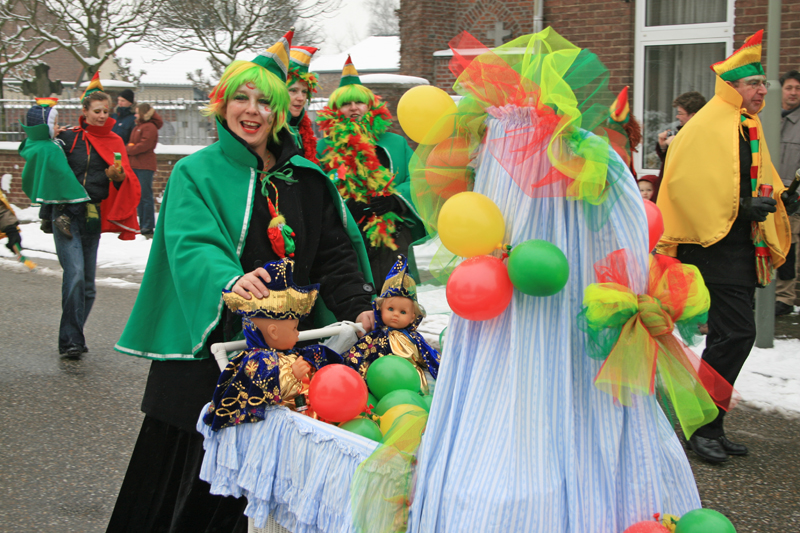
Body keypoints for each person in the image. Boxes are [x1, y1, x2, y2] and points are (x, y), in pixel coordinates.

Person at [408, 29, 703, 533]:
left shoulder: (509, 143)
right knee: (583, 407)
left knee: (520, 408)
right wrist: (625, 289)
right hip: (578, 321)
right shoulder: (592, 156)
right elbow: (632, 234)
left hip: (513, 322)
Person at [108, 30, 376, 533]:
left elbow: (336, 255)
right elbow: (190, 243)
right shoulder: (196, 173)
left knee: (252, 489)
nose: (251, 111)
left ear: (279, 112)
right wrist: (230, 279)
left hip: (285, 357)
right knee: (181, 482)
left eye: (264, 102)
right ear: (222, 105)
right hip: (208, 354)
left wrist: (359, 302)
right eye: (240, 98)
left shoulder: (309, 179)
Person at [657, 30, 797, 463]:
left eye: (764, 84)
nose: (762, 91)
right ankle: (700, 426)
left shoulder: (745, 125)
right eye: (754, 84)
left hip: (736, 248)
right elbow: (685, 186)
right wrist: (742, 205)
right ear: (731, 86)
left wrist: (778, 201)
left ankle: (709, 424)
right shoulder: (708, 125)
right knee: (736, 334)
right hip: (710, 248)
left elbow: (751, 179)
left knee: (729, 335)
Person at [51, 74, 140, 360]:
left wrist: (117, 178)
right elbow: (46, 166)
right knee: (75, 275)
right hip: (65, 215)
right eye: (97, 111)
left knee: (88, 287)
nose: (102, 116)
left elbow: (121, 182)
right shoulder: (67, 138)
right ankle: (71, 341)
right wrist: (49, 138)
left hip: (92, 214)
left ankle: (73, 334)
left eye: (106, 111)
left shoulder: (114, 140)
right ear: (85, 112)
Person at [316, 56, 426, 284]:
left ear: (370, 106)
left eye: (359, 103)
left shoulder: (394, 142)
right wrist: (346, 208)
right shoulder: (325, 147)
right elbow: (318, 191)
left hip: (393, 237)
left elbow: (420, 179)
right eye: (347, 104)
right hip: (348, 239)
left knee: (397, 297)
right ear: (337, 110)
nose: (354, 108)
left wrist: (396, 201)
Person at [203, 258, 343, 431]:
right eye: (294, 328)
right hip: (285, 427)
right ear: (273, 332)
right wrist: (293, 374)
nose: (298, 333)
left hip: (308, 419)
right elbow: (267, 390)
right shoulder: (258, 362)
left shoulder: (290, 354)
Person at [343, 254, 440, 394]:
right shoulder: (375, 337)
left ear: (413, 317)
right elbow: (358, 353)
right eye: (390, 309)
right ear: (380, 308)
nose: (395, 314)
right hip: (383, 380)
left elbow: (429, 356)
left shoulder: (415, 338)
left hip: (412, 379)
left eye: (403, 312)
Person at [20, 97, 87, 238]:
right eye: (54, 124)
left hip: (47, 182)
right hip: (59, 180)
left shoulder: (35, 142)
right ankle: (64, 218)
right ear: (45, 128)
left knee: (47, 196)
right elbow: (62, 172)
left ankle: (46, 218)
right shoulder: (50, 149)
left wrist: (55, 133)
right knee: (78, 198)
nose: (58, 126)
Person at [777, 70, 800, 316]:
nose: (793, 93)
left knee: (789, 247)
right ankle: (762, 295)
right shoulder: (765, 118)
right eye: (789, 88)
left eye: (798, 89)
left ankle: (784, 297)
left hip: (792, 198)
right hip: (766, 194)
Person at [126, 103, 163, 238]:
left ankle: (147, 225)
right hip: (136, 164)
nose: (135, 115)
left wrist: (129, 149)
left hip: (144, 165)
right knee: (138, 196)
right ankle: (142, 224)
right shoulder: (139, 127)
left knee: (145, 195)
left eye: (137, 112)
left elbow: (144, 145)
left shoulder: (149, 127)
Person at [656, 91, 706, 177]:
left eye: (680, 113)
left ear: (693, 116)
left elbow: (687, 169)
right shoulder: (683, 133)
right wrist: (663, 147)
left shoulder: (703, 137)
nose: (677, 116)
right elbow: (667, 168)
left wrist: (676, 146)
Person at [286, 45, 320, 163]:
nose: (301, 98)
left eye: (304, 92)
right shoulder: (267, 129)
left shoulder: (302, 129)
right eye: (293, 90)